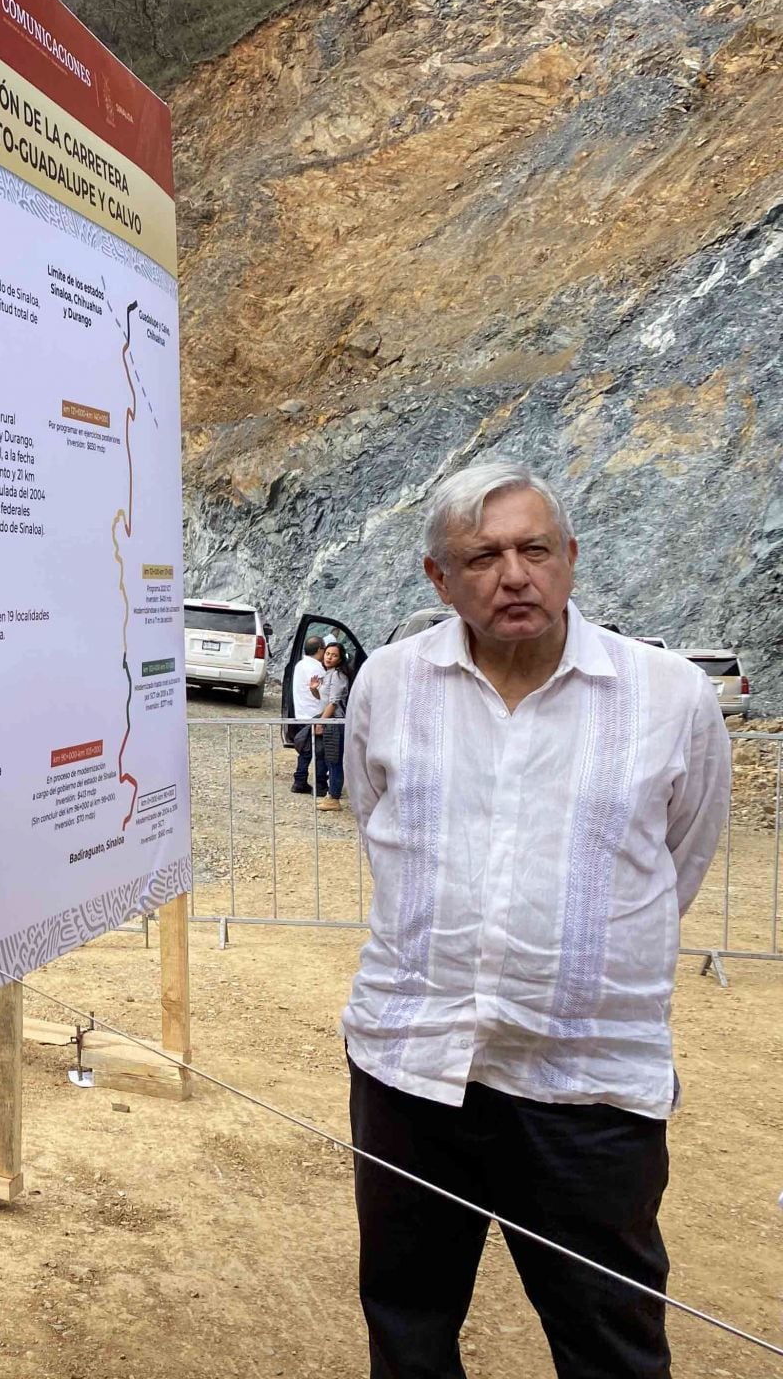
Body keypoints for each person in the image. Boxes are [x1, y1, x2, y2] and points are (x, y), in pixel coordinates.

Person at [342, 460, 730, 1379]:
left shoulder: (669, 696)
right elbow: (378, 823)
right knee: (408, 1327)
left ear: (572, 559)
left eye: (535, 550)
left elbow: (683, 855)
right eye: (482, 556)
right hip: (412, 1065)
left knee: (610, 1344)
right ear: (439, 579)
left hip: (586, 1082)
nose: (515, 576)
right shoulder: (388, 685)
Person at [315, 641, 351, 811]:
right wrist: (314, 689)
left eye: (334, 655)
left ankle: (334, 797)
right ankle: (330, 794)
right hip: (329, 720)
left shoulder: (338, 676)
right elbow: (323, 699)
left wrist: (321, 722)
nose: (329, 657)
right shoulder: (328, 674)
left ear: (340, 658)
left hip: (335, 722)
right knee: (329, 759)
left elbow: (333, 703)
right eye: (328, 653)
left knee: (334, 760)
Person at [291, 635, 326, 793]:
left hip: (301, 713)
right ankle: (320, 785)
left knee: (305, 751)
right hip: (315, 714)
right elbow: (324, 692)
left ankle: (300, 780)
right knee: (320, 753)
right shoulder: (317, 668)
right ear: (319, 649)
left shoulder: (300, 665)